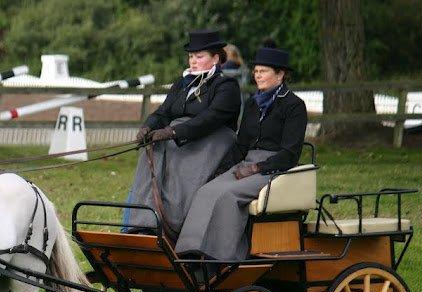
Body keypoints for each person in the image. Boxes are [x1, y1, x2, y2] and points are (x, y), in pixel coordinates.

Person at [175, 44, 308, 262]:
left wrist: (256, 168)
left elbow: (290, 154)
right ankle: (190, 252)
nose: (257, 76)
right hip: (246, 163)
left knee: (228, 195)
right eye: (256, 71)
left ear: (280, 74)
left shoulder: (294, 106)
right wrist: (220, 170)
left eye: (263, 71)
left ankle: (222, 258)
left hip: (274, 169)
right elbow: (241, 145)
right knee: (206, 190)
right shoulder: (253, 104)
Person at [124, 29, 241, 239]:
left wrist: (174, 131)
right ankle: (143, 223)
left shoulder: (226, 86)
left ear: (215, 58)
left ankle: (174, 227)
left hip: (211, 140)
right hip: (178, 136)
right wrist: (148, 127)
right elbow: (164, 111)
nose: (193, 61)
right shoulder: (182, 83)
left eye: (199, 56)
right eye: (190, 56)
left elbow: (211, 119)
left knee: (180, 162)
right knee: (151, 151)